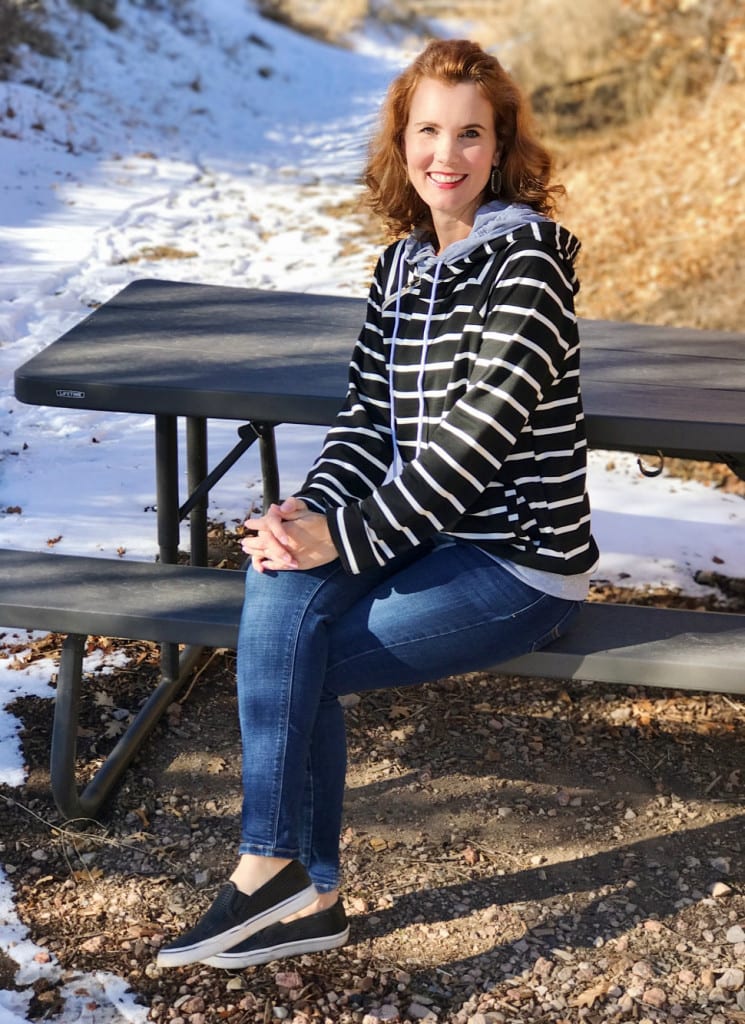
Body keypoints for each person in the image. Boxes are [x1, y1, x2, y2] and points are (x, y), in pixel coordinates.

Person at [157, 37, 599, 971]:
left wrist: (344, 535)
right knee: (277, 582)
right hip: (414, 536)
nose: (448, 154)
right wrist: (305, 514)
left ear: (502, 146)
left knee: (295, 648)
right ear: (401, 142)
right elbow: (367, 419)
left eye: (471, 134)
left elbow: (470, 446)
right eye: (428, 130)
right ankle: (299, 891)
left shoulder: (531, 263)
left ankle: (280, 873)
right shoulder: (402, 266)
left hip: (514, 563)